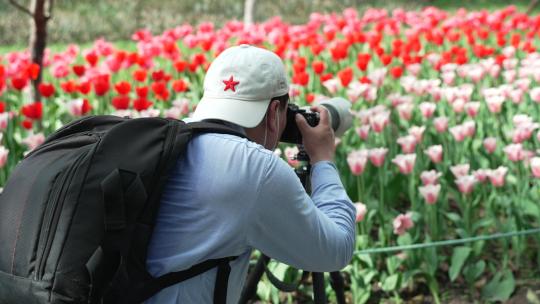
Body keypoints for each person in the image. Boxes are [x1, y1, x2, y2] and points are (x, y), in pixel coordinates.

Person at [145, 44, 356, 303]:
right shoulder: (255, 168)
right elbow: (337, 250)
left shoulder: (167, 139)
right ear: (274, 112)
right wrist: (323, 159)